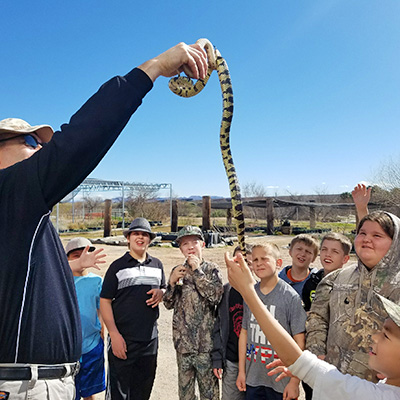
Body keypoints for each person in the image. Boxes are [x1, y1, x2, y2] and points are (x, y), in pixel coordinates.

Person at [0, 41, 207, 400]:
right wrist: (155, 67)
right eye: (33, 141)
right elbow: (82, 136)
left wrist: (67, 267)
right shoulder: (12, 190)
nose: (43, 151)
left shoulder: (22, 217)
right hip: (25, 385)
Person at [225, 251, 400, 400]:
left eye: (386, 335)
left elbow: (296, 360)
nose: (374, 336)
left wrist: (248, 291)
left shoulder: (366, 394)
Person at [306, 211, 400, 382]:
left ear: (395, 243)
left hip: (380, 387)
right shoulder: (335, 279)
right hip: (331, 379)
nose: (366, 239)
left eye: (377, 235)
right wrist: (317, 351)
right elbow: (317, 318)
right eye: (362, 233)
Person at [100, 218, 166, 400]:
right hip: (123, 339)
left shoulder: (157, 265)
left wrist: (162, 291)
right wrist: (114, 334)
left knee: (143, 391)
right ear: (128, 238)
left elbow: (164, 288)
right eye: (136, 233)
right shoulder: (117, 267)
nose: (140, 237)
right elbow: (105, 301)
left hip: (149, 340)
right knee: (119, 393)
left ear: (150, 239)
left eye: (144, 234)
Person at [236, 242, 307, 399]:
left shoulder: (290, 297)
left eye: (264, 258)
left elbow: (299, 341)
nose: (259, 263)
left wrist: (294, 382)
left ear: (278, 263)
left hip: (280, 380)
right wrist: (242, 372)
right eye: (255, 260)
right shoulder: (250, 294)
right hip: (253, 377)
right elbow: (244, 333)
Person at [163, 225, 223, 400]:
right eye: (184, 244)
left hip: (206, 347)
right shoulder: (178, 271)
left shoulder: (211, 269)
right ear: (180, 248)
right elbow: (168, 304)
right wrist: (172, 283)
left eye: (194, 242)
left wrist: (197, 271)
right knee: (185, 395)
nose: (190, 247)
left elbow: (215, 297)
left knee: (209, 395)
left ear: (202, 245)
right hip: (184, 347)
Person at [66, 237, 106, 400]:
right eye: (76, 255)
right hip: (67, 350)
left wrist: (103, 333)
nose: (82, 258)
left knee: (89, 392)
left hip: (92, 345)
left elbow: (101, 309)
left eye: (86, 253)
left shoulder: (97, 281)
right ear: (66, 259)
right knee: (68, 392)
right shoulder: (61, 281)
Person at [212, 244, 252, 400]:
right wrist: (217, 359)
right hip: (232, 361)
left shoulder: (260, 290)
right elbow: (218, 327)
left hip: (256, 365)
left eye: (246, 262)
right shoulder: (226, 292)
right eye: (236, 261)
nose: (241, 266)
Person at [302, 232, 351, 312]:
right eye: (324, 249)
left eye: (335, 251)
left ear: (345, 259)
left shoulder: (350, 285)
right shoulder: (311, 283)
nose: (328, 254)